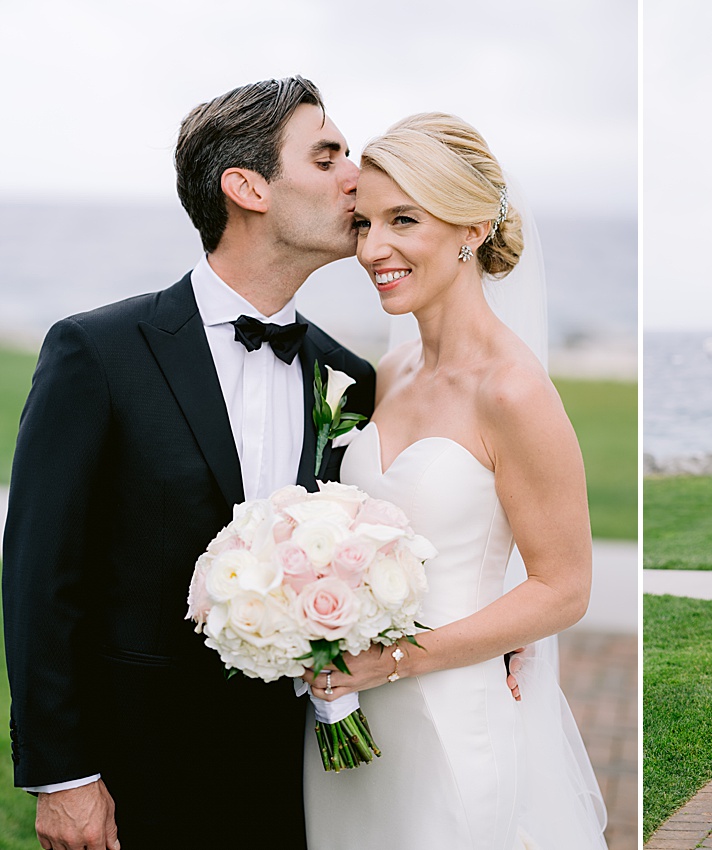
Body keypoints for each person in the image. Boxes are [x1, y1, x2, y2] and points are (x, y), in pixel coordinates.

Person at [2, 77, 377, 850]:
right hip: (141, 769)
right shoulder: (96, 352)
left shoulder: (347, 379)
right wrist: (64, 775)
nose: (356, 174)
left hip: (298, 777)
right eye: (328, 153)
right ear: (246, 188)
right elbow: (40, 574)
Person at [298, 113, 608, 848]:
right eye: (365, 222)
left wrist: (397, 660)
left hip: (448, 719)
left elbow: (563, 587)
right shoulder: (388, 372)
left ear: (471, 228)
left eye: (404, 219)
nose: (374, 249)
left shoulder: (513, 391)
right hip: (350, 720)